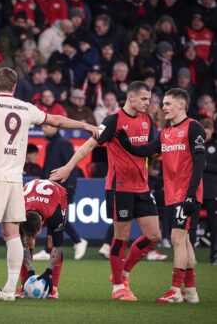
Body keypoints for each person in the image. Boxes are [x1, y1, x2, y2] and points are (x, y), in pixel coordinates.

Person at [0, 67, 97, 302]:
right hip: (15, 179)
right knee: (11, 234)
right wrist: (83, 125)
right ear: (15, 87)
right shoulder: (25, 107)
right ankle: (10, 290)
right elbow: (57, 120)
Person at [50, 81, 161, 301]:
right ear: (131, 97)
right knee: (122, 236)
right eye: (144, 99)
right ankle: (118, 287)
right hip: (119, 187)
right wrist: (68, 167)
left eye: (149, 99)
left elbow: (151, 150)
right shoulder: (113, 121)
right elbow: (88, 146)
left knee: (153, 235)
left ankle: (123, 272)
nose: (148, 103)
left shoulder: (147, 120)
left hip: (142, 186)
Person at [116, 88, 206, 303]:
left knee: (177, 239)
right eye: (163, 104)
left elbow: (200, 162)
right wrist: (127, 144)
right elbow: (146, 150)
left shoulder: (194, 128)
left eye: (168, 103)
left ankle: (175, 291)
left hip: (187, 194)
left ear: (182, 105)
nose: (163, 107)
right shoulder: (166, 133)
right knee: (185, 243)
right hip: (173, 195)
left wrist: (191, 195)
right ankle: (191, 292)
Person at [34, 124, 88, 261]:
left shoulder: (64, 143)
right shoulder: (50, 145)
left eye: (45, 127)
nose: (43, 129)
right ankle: (48, 250)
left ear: (55, 127)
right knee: (51, 218)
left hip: (62, 188)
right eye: (42, 128)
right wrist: (41, 184)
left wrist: (70, 187)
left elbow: (72, 167)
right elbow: (46, 168)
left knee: (58, 219)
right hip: (49, 188)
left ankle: (78, 241)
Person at [17, 179, 67, 299]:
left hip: (58, 196)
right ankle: (24, 284)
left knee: (52, 241)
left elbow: (58, 245)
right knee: (26, 243)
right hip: (32, 196)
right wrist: (30, 271)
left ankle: (53, 288)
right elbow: (23, 246)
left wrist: (49, 271)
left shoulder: (55, 215)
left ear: (41, 227)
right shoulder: (18, 213)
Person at [197, 119, 217, 265]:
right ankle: (189, 254)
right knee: (190, 224)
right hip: (195, 189)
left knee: (214, 223)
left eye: (208, 130)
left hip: (212, 191)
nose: (206, 133)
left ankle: (214, 255)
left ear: (211, 131)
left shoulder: (215, 146)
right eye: (203, 130)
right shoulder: (194, 146)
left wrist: (205, 165)